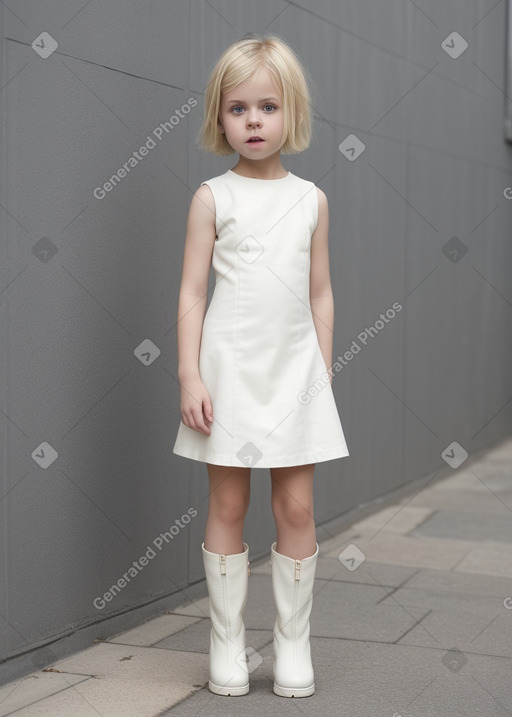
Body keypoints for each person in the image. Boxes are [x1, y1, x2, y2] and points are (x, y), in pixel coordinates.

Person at [172, 33, 349, 698]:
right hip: (227, 372)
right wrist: (189, 373)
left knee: (297, 507)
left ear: (291, 113)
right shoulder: (211, 198)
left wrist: (321, 372)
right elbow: (192, 291)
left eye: (267, 106)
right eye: (238, 107)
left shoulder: (311, 200)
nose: (253, 121)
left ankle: (292, 645)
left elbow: (321, 290)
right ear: (220, 116)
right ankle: (225, 646)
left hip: (295, 375)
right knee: (227, 499)